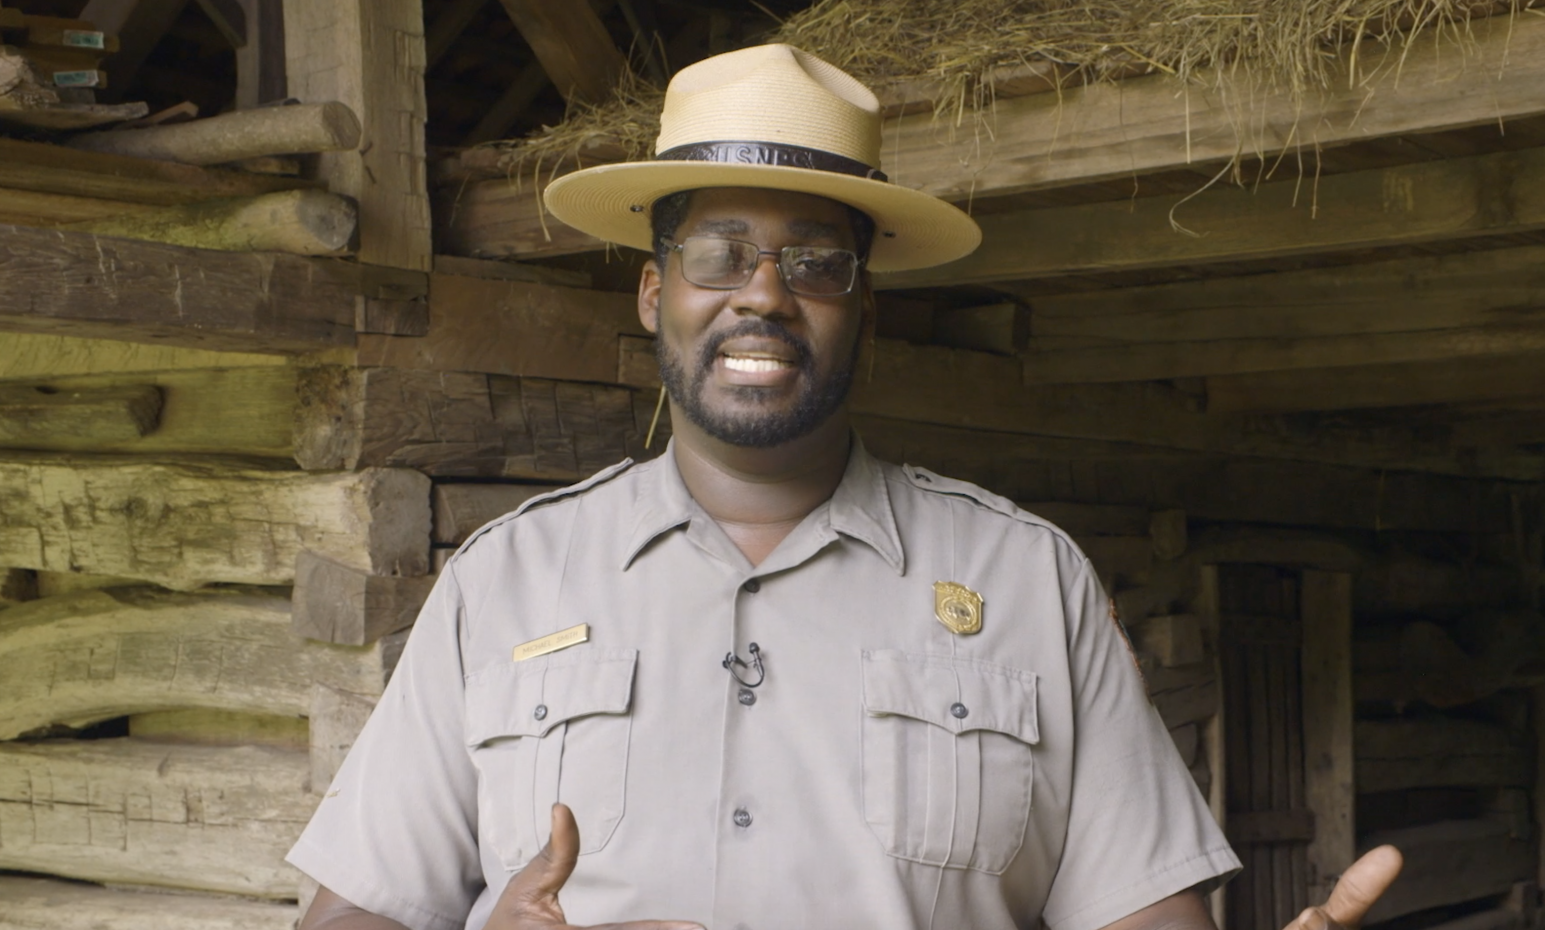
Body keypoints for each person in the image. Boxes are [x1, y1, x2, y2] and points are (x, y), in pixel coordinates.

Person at [289, 43, 1401, 930]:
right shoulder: (507, 582)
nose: (763, 297)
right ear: (651, 293)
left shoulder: (1021, 580)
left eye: (816, 262)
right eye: (718, 254)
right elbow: (354, 911)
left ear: (865, 307)